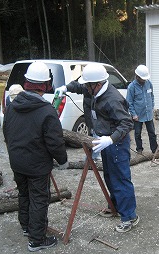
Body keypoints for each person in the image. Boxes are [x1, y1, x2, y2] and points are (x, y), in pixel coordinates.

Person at [56, 63, 139, 233]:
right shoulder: (92, 88)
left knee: (121, 179)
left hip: (116, 142)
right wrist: (65, 87)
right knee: (109, 176)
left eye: (88, 85)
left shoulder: (112, 99)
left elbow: (127, 123)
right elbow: (79, 87)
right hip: (104, 139)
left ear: (98, 84)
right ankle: (116, 206)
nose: (86, 87)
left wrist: (111, 139)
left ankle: (129, 216)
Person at [3, 61, 68, 251]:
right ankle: (37, 240)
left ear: (27, 82)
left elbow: (7, 132)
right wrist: (62, 160)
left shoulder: (13, 106)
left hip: (17, 162)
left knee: (24, 194)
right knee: (39, 199)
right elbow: (55, 141)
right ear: (45, 85)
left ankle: (26, 226)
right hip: (37, 166)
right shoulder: (46, 110)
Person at [126, 65, 158, 154]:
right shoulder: (131, 87)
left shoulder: (149, 84)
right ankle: (139, 150)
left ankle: (155, 150)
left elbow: (151, 96)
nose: (144, 80)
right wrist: (133, 114)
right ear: (137, 76)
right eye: (142, 78)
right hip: (138, 115)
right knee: (137, 133)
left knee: (152, 132)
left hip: (148, 114)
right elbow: (129, 102)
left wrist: (152, 107)